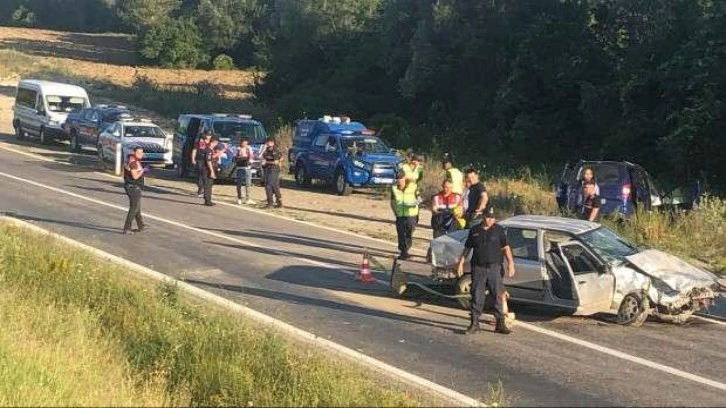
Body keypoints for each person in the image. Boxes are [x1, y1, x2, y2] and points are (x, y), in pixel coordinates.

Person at [456, 205, 515, 335]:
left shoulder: (499, 230)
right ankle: (475, 323)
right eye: (488, 217)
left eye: (492, 218)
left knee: (498, 294)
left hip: (494, 267)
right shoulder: (475, 230)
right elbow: (467, 248)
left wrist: (511, 263)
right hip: (478, 267)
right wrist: (460, 263)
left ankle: (500, 323)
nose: (490, 220)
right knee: (477, 294)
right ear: (484, 216)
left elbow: (505, 248)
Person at [391, 171, 419, 260]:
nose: (399, 181)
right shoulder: (394, 188)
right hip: (400, 215)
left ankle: (407, 248)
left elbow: (419, 199)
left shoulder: (413, 186)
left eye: (401, 179)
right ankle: (403, 251)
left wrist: (413, 204)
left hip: (411, 214)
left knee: (409, 232)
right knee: (401, 233)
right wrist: (395, 211)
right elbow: (392, 201)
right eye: (398, 179)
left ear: (404, 178)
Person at [122, 146, 148, 235]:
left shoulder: (132, 160)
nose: (141, 154)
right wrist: (143, 170)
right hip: (133, 187)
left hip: (133, 186)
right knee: (134, 208)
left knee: (137, 207)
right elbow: (135, 176)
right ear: (134, 152)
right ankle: (127, 228)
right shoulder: (133, 162)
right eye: (139, 153)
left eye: (142, 152)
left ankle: (141, 225)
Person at [261, 137, 283, 208]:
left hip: (274, 169)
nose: (268, 143)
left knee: (269, 185)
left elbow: (276, 162)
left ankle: (270, 202)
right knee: (274, 185)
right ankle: (279, 201)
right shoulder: (266, 151)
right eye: (267, 142)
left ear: (273, 143)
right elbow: (263, 158)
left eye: (270, 142)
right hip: (267, 169)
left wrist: (266, 162)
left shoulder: (275, 151)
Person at [191, 131, 212, 197]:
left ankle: (204, 190)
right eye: (207, 135)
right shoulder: (200, 143)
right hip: (200, 160)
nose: (209, 136)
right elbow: (194, 151)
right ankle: (200, 189)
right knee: (200, 174)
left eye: (210, 135)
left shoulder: (210, 143)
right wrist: (193, 159)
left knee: (205, 176)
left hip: (207, 161)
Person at [235, 137, 255, 205]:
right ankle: (239, 198)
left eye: (245, 142)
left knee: (248, 183)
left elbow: (251, 157)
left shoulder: (248, 148)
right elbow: (235, 158)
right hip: (240, 168)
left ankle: (248, 198)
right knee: (239, 183)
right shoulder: (238, 149)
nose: (244, 144)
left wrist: (250, 162)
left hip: (246, 167)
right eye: (243, 142)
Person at [201, 138, 218, 206]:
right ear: (212, 143)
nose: (216, 144)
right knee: (207, 185)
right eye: (215, 143)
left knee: (210, 185)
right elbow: (208, 161)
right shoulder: (208, 150)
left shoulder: (210, 150)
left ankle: (209, 199)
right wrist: (211, 171)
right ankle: (207, 200)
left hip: (209, 169)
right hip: (207, 169)